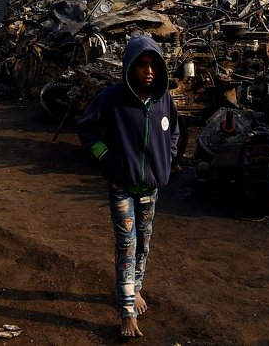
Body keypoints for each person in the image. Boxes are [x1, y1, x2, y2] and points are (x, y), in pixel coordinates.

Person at [77, 35, 181, 339]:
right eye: (141, 64)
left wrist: (167, 158)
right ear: (129, 67)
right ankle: (127, 313)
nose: (148, 71)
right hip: (121, 185)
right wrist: (106, 157)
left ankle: (134, 289)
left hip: (150, 189)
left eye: (153, 65)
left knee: (143, 244)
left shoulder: (163, 100)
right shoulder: (112, 98)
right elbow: (86, 128)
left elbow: (174, 133)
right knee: (127, 245)